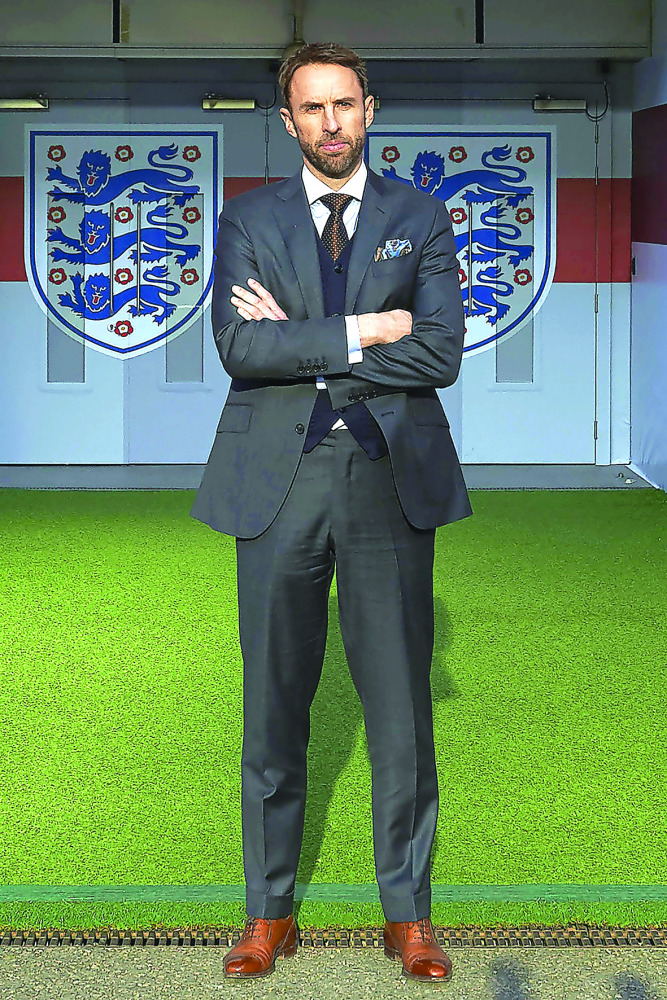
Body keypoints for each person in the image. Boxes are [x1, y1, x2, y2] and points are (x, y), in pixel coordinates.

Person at [190, 41, 473, 984]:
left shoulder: (419, 216)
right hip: (279, 481)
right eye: (310, 108)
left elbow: (437, 354)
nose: (329, 122)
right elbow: (239, 346)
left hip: (390, 482)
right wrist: (362, 330)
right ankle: (268, 912)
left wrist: (302, 343)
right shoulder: (248, 219)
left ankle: (410, 918)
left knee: (398, 716)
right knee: (272, 710)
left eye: (343, 104)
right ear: (287, 120)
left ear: (369, 109)